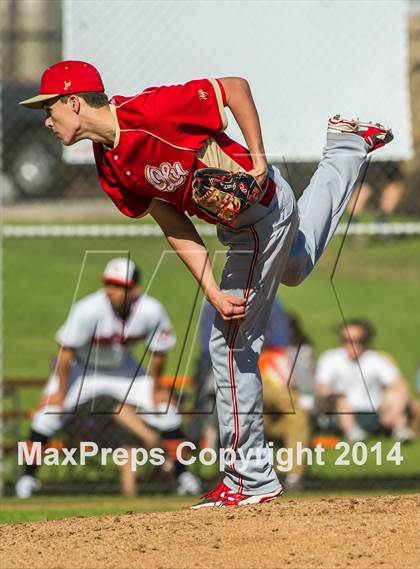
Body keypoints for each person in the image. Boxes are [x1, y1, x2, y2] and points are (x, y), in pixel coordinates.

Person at [20, 60, 393, 508]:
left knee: (229, 342)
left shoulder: (151, 111)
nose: (46, 118)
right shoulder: (111, 165)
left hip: (260, 215)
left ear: (74, 102)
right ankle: (348, 145)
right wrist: (212, 288)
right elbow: (171, 221)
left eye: (50, 106)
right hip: (245, 226)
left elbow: (234, 88)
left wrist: (257, 159)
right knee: (296, 267)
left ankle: (248, 479)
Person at [15, 257, 200, 498]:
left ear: (134, 289)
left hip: (124, 370)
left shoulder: (150, 310)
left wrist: (156, 390)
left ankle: (183, 475)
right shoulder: (88, 309)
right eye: (108, 284)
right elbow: (66, 352)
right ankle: (27, 480)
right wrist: (59, 394)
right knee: (47, 416)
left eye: (118, 285)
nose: (110, 290)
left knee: (165, 410)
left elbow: (158, 353)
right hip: (82, 371)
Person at [315, 319, 415, 442]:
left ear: (366, 341)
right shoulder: (330, 358)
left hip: (373, 412)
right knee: (341, 399)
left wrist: (393, 402)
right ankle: (351, 432)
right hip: (340, 413)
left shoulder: (376, 359)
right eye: (346, 340)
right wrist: (333, 395)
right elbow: (322, 386)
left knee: (397, 394)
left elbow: (399, 383)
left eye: (358, 340)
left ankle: (400, 430)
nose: (352, 345)